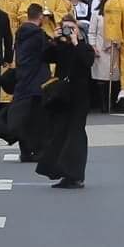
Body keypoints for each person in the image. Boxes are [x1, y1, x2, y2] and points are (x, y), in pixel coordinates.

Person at [36, 18, 96, 188]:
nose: (69, 31)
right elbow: (45, 57)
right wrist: (53, 40)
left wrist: (76, 42)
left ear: (78, 30)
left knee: (76, 134)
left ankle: (76, 175)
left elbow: (88, 61)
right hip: (62, 97)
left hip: (79, 97)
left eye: (72, 28)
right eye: (66, 28)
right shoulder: (60, 47)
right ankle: (63, 172)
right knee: (60, 133)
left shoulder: (84, 47)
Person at [9, 4, 52, 162]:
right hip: (37, 80)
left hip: (23, 78)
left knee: (24, 118)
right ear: (40, 16)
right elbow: (48, 53)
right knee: (38, 119)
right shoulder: (37, 35)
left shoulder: (21, 33)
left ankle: (26, 150)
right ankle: (37, 150)